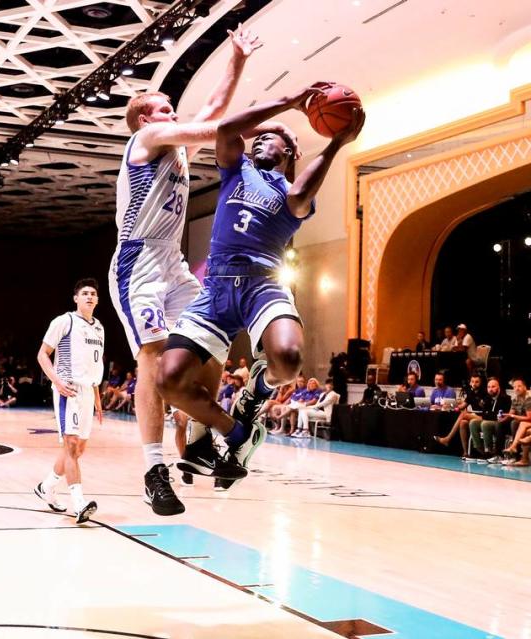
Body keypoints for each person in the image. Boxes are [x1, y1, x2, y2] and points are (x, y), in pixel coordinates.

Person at [158, 81, 365, 488]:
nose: (259, 141)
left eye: (270, 138)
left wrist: (337, 142)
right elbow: (226, 129)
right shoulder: (236, 170)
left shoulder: (293, 193)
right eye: (259, 136)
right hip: (216, 288)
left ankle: (256, 391)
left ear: (289, 153)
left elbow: (303, 190)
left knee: (287, 360)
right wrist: (289, 102)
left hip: (262, 285)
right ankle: (237, 432)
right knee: (169, 380)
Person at [108, 26, 263, 515]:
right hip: (139, 263)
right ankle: (154, 470)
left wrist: (236, 58)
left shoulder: (174, 153)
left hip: (172, 262)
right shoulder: (147, 138)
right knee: (152, 357)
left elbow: (213, 110)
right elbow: (211, 126)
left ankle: (196, 434)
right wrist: (262, 123)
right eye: (164, 108)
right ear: (144, 119)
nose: (171, 114)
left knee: (212, 342)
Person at [33, 278, 106, 523]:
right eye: (84, 293)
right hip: (69, 389)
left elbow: (95, 364)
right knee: (72, 447)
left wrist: (97, 397)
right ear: (76, 298)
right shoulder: (64, 321)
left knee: (78, 450)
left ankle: (47, 487)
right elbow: (43, 354)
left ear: (97, 299)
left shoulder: (99, 328)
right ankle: (79, 503)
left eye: (93, 293)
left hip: (88, 390)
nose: (89, 296)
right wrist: (56, 380)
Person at [434, 374, 489, 452]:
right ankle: (466, 452)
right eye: (472, 381)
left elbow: (486, 409)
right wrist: (450, 405)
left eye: (477, 382)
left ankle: (447, 439)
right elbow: (461, 406)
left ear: (481, 383)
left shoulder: (486, 393)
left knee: (463, 414)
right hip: (475, 417)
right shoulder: (471, 393)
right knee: (463, 422)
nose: (474, 384)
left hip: (485, 417)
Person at [467, 377, 512, 463]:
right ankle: (479, 450)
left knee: (485, 423)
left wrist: (489, 415)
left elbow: (500, 415)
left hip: (500, 423)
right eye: (489, 387)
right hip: (490, 420)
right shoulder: (487, 398)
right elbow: (484, 414)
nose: (490, 389)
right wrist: (490, 415)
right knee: (473, 422)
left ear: (498, 388)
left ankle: (489, 451)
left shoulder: (505, 398)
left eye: (493, 387)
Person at [503, 377, 531, 464]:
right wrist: (504, 417)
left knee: (518, 423)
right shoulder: (515, 399)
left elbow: (529, 418)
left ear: (525, 387)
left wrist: (514, 416)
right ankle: (515, 450)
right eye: (514, 387)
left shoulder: (529, 398)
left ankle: (515, 449)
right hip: (525, 422)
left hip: (528, 421)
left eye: (519, 386)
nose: (516, 389)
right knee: (515, 423)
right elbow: (511, 414)